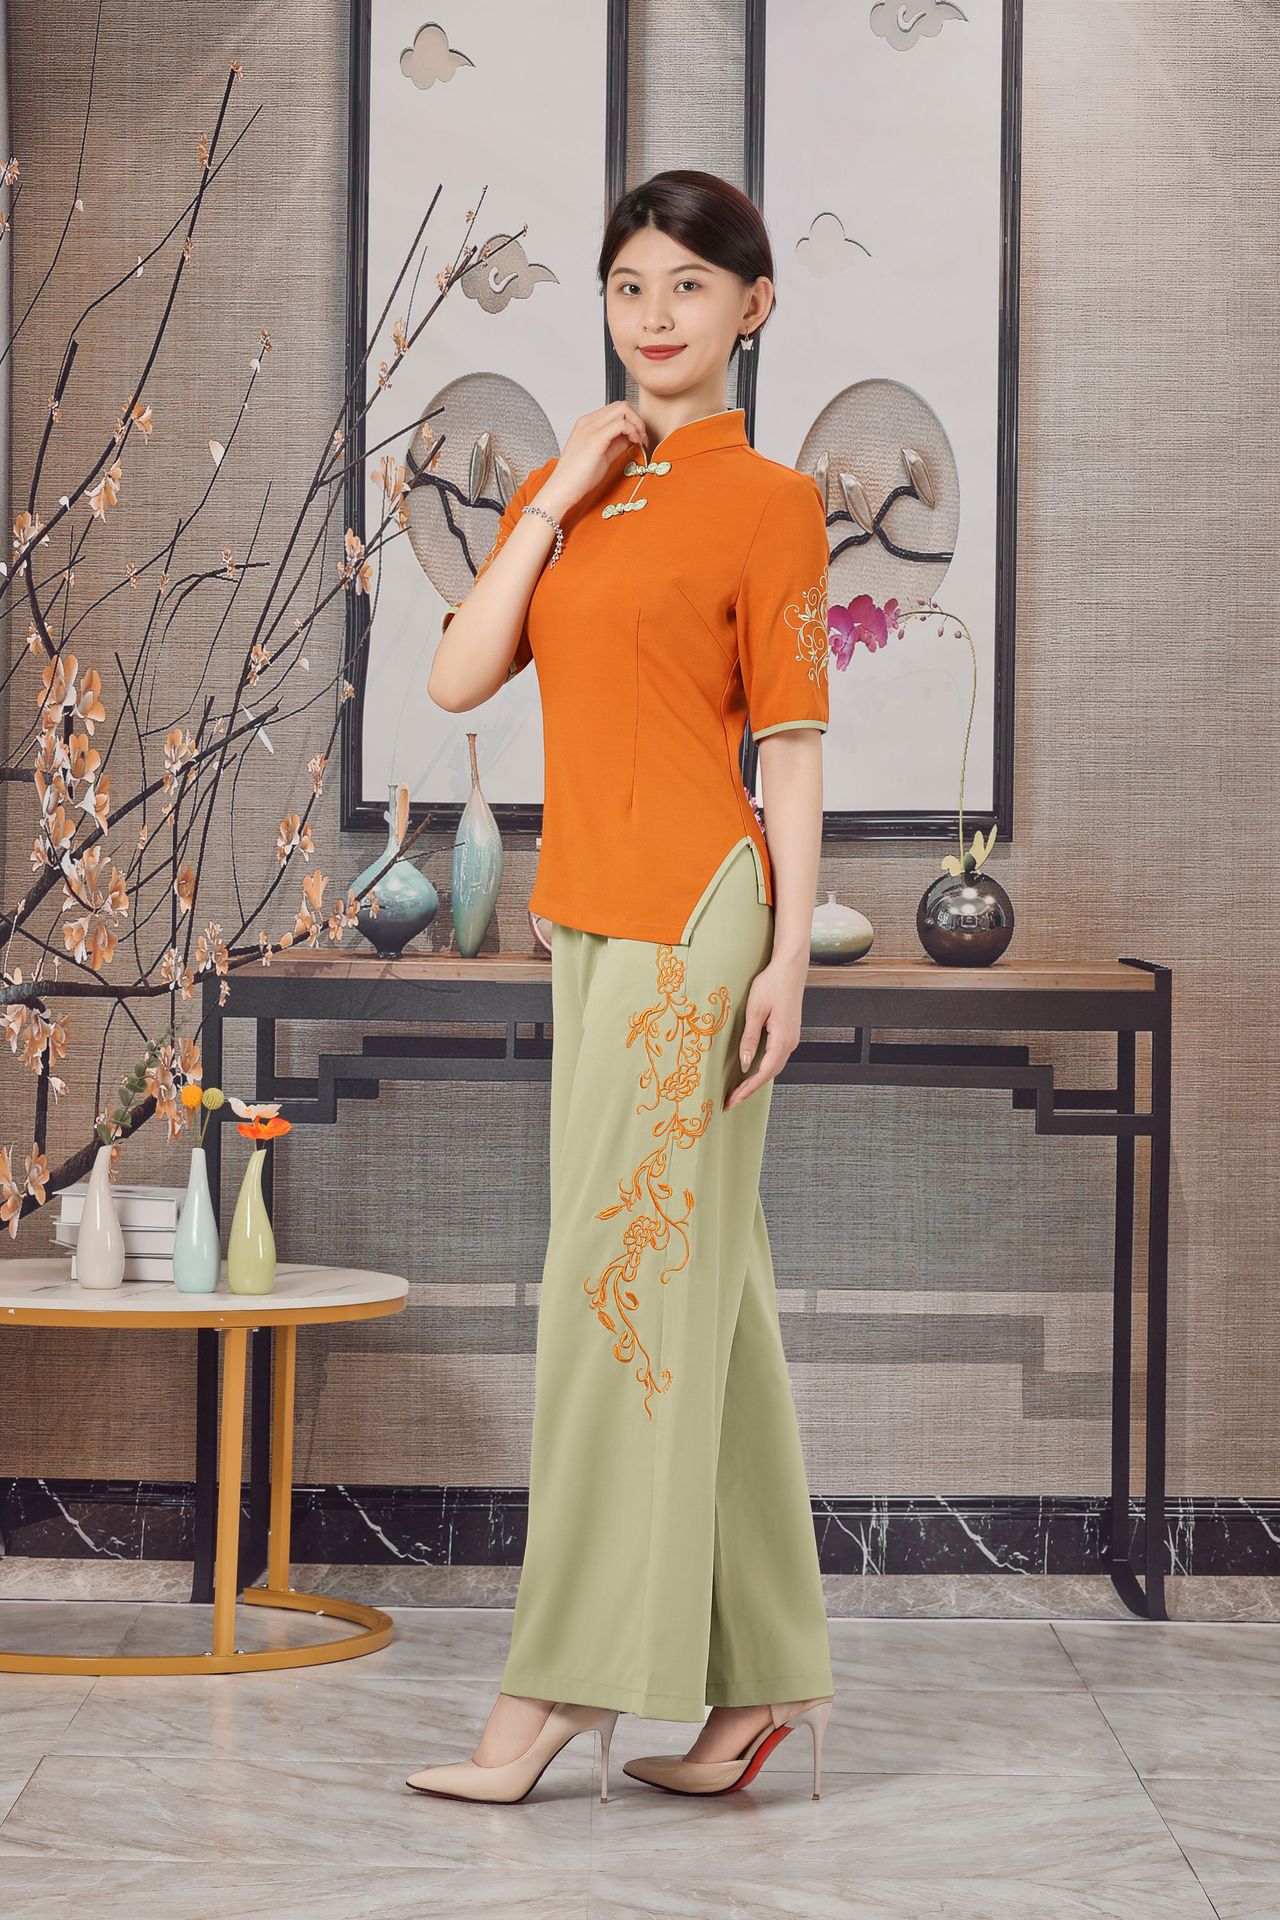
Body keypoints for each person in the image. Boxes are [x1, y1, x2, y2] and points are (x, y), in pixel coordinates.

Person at [408, 169, 835, 1807]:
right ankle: (759, 1687)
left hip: (695, 924)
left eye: (689, 287)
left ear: (754, 306)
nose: (656, 317)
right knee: (703, 1293)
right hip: (587, 925)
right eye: (629, 286)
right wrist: (554, 495)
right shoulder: (571, 482)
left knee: (610, 1299)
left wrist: (786, 957)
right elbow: (459, 671)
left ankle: (559, 1689)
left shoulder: (774, 502)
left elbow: (789, 750)